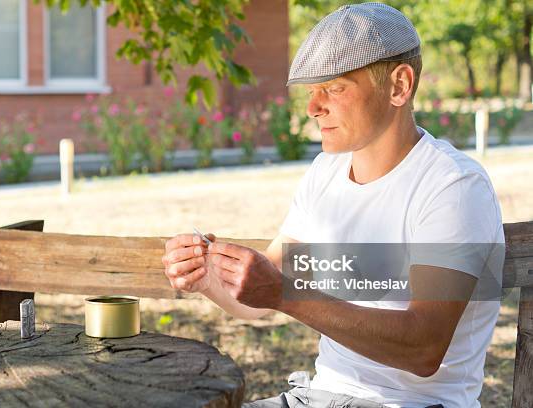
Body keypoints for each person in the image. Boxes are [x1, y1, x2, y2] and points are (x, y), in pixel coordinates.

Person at [162, 3, 504, 407]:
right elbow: (260, 297)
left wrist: (285, 295)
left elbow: (424, 347)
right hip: (317, 396)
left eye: (335, 88)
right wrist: (208, 279)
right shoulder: (326, 173)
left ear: (399, 85)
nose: (312, 108)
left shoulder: (453, 185)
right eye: (311, 92)